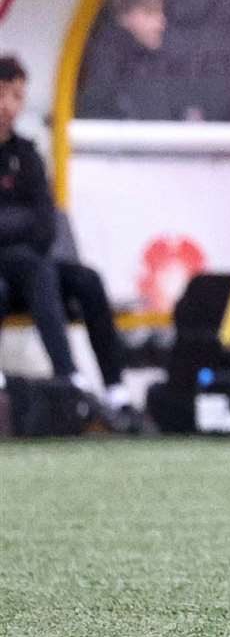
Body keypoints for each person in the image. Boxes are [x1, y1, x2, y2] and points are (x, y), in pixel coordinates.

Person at [0, 55, 130, 414]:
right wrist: (20, 223)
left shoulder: (27, 155)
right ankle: (68, 375)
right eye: (2, 94)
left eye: (16, 96)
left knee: (86, 280)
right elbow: (31, 223)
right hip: (12, 271)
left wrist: (13, 223)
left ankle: (115, 388)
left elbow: (45, 225)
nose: (8, 106)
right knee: (32, 265)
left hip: (32, 267)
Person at [77, 0, 179, 120]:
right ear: (123, 16)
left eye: (162, 13)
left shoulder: (150, 62)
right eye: (150, 12)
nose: (162, 22)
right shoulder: (105, 60)